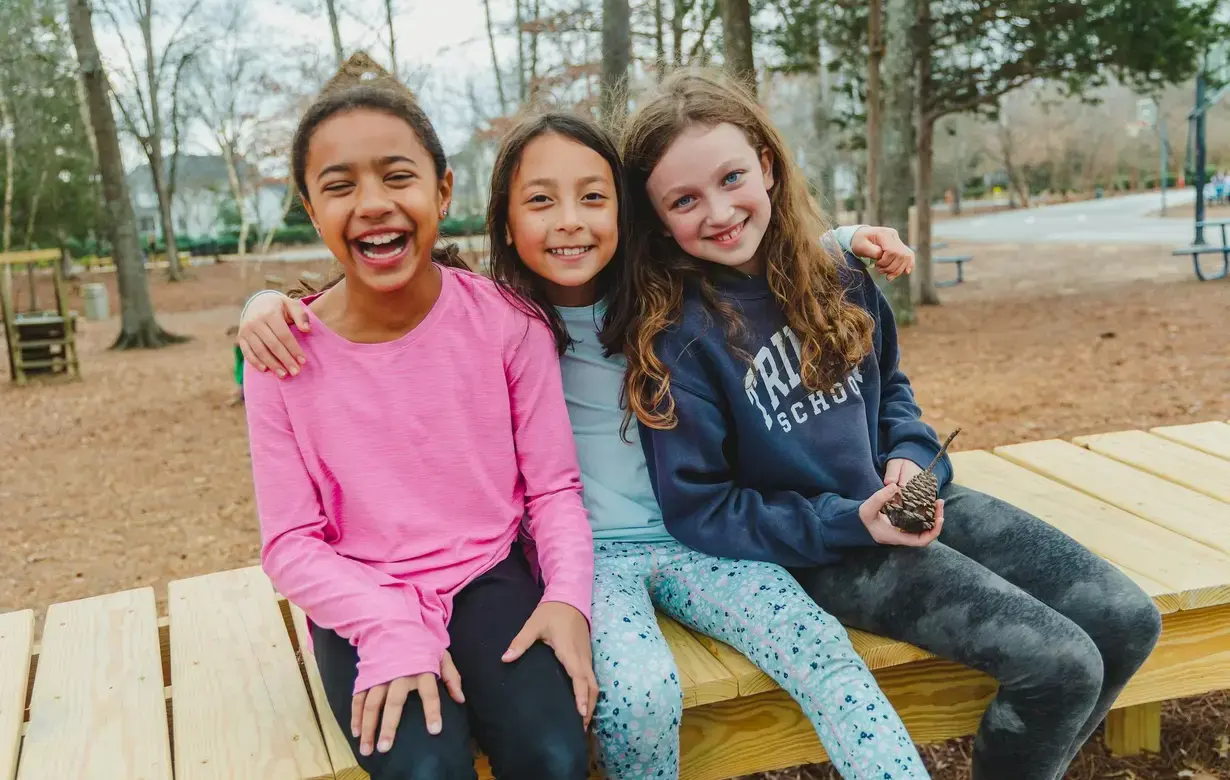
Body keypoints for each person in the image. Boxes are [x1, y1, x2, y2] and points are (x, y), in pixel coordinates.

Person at [238, 111, 928, 778]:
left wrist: (840, 242)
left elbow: (753, 259)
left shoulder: (671, 300)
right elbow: (390, 308)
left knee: (820, 649)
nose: (569, 220)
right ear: (504, 218)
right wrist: (262, 305)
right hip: (589, 562)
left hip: (704, 538)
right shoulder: (508, 320)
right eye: (540, 200)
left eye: (593, 198)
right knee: (638, 695)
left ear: (627, 212)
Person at [617, 69, 1163, 780]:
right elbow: (703, 509)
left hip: (908, 499)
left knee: (1127, 621)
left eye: (731, 178)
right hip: (829, 550)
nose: (718, 211)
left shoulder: (838, 275)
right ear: (659, 218)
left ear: (770, 168)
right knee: (1059, 666)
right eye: (685, 200)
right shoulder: (681, 339)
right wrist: (851, 521)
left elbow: (893, 396)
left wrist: (910, 456)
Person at [242, 58, 597, 780]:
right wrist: (386, 624)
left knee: (554, 753)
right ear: (312, 210)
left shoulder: (508, 326)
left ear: (442, 190)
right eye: (340, 186)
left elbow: (554, 491)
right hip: (362, 593)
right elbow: (289, 543)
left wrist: (567, 600)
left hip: (489, 577)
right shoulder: (281, 357)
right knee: (424, 769)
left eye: (396, 176)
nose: (372, 202)